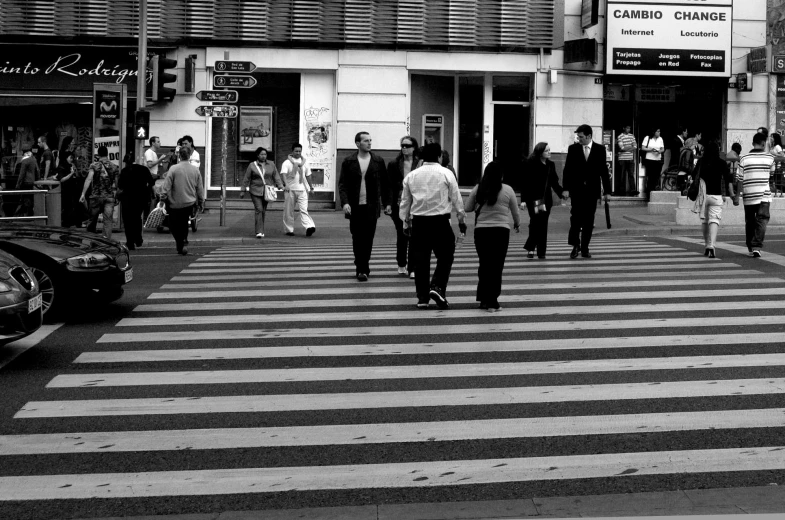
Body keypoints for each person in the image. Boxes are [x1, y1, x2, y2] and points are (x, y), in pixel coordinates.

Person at [399, 142, 466, 310]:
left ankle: (422, 298)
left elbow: (405, 202)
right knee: (446, 256)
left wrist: (405, 222)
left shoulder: (412, 176)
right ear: (439, 156)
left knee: (420, 261)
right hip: (440, 222)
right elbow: (457, 198)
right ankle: (437, 286)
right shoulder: (446, 174)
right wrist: (461, 219)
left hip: (419, 222)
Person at [465, 161, 520, 312]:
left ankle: (483, 299)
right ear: (501, 175)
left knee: (485, 265)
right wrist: (517, 224)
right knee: (496, 266)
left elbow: (467, 208)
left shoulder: (478, 188)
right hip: (501, 232)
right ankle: (492, 300)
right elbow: (515, 212)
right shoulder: (508, 190)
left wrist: (478, 205)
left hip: (482, 232)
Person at [338, 131, 386, 281]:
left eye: (370, 140)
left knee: (368, 238)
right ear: (358, 144)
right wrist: (345, 202)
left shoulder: (378, 161)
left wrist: (387, 203)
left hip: (371, 206)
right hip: (355, 206)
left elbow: (385, 184)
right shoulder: (348, 161)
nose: (369, 143)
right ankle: (360, 265)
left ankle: (363, 268)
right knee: (357, 237)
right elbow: (342, 184)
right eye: (366, 141)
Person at [562, 124, 612, 259]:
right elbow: (567, 170)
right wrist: (565, 188)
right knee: (575, 219)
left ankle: (585, 248)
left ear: (589, 136)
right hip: (576, 191)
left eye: (581, 137)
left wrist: (607, 191)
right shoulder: (573, 149)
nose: (579, 139)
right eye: (578, 137)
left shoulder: (600, 149)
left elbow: (604, 172)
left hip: (591, 191)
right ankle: (575, 245)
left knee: (589, 221)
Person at [520, 142, 565, 259]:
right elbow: (525, 183)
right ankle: (531, 248)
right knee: (536, 223)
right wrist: (523, 200)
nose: (549, 152)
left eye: (549, 150)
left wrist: (562, 193)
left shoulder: (550, 165)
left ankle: (540, 252)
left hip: (546, 200)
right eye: (547, 151)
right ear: (540, 153)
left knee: (541, 224)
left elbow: (554, 182)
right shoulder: (530, 163)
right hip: (534, 199)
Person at [691, 141, 736, 259]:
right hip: (716, 196)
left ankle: (706, 245)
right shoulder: (721, 163)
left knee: (705, 221)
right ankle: (712, 245)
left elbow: (693, 175)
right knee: (714, 220)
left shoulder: (701, 161)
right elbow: (728, 179)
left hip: (703, 196)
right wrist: (731, 195)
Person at [383, 135, 419, 277]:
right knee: (402, 234)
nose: (404, 148)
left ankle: (413, 268)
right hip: (399, 203)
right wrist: (388, 204)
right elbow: (389, 186)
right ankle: (401, 263)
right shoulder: (394, 164)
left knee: (415, 236)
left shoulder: (420, 163)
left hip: (416, 203)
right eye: (402, 146)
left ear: (414, 147)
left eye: (407, 146)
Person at [160, 147, 204, 255]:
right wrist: (201, 200)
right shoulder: (195, 170)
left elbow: (167, 184)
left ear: (179, 155)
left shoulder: (174, 169)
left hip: (175, 202)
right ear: (189, 156)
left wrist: (163, 195)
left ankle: (180, 242)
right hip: (189, 202)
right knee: (184, 222)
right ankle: (183, 240)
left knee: (173, 224)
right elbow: (199, 187)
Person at [738, 132, 774, 258]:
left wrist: (737, 195)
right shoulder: (770, 158)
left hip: (748, 195)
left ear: (753, 143)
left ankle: (749, 245)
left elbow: (739, 179)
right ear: (764, 144)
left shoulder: (744, 158)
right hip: (764, 195)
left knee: (750, 221)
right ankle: (757, 246)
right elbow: (772, 173)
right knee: (762, 219)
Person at [240, 146, 283, 238]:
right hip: (255, 190)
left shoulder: (271, 164)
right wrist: (243, 190)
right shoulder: (252, 165)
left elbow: (276, 175)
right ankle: (259, 231)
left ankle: (261, 229)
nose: (264, 156)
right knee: (259, 209)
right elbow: (246, 178)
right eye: (261, 154)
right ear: (257, 155)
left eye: (265, 154)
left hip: (267, 191)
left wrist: (280, 185)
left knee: (263, 210)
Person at [80, 146, 119, 239]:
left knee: (92, 220)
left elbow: (89, 179)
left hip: (96, 196)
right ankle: (106, 241)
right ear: (107, 153)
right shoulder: (114, 167)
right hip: (109, 197)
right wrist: (116, 196)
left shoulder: (94, 165)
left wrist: (83, 194)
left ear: (98, 154)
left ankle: (90, 240)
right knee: (108, 221)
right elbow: (117, 184)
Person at [118, 152, 155, 250]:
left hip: (127, 199)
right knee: (137, 218)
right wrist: (152, 194)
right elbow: (151, 182)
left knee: (128, 221)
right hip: (141, 198)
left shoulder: (124, 171)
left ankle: (130, 242)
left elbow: (120, 186)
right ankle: (138, 239)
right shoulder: (143, 169)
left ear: (125, 162)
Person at [280, 143, 316, 237]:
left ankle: (309, 227)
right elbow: (283, 174)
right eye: (296, 151)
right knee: (289, 211)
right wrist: (286, 185)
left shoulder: (305, 163)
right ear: (292, 151)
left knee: (304, 209)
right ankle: (289, 229)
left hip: (302, 190)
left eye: (299, 151)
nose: (298, 153)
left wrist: (311, 187)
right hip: (290, 190)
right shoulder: (287, 163)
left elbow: (308, 175)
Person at [56, 151, 78, 227]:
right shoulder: (62, 166)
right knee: (66, 206)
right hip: (65, 190)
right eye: (70, 158)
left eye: (72, 158)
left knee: (70, 206)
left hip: (71, 189)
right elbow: (62, 179)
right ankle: (65, 222)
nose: (71, 160)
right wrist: (71, 173)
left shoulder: (71, 165)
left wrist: (74, 171)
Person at [14, 148, 38, 217]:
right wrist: (37, 180)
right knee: (30, 198)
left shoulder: (24, 161)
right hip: (32, 181)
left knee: (25, 198)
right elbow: (37, 170)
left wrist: (18, 184)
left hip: (26, 182)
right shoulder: (34, 160)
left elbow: (22, 174)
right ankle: (29, 213)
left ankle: (24, 214)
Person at [640, 128, 665, 196]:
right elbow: (643, 148)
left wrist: (660, 151)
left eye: (659, 131)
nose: (659, 133)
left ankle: (655, 192)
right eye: (657, 131)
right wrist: (650, 150)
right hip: (650, 159)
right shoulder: (647, 138)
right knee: (650, 177)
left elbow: (663, 148)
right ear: (654, 132)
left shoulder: (660, 139)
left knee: (656, 176)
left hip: (657, 159)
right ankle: (649, 193)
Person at [616, 125, 638, 195]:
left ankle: (633, 190)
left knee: (631, 174)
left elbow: (635, 146)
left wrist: (626, 148)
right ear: (624, 128)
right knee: (622, 175)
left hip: (630, 158)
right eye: (627, 128)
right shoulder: (620, 136)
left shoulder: (632, 136)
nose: (629, 129)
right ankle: (621, 191)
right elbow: (622, 148)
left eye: (629, 128)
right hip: (622, 158)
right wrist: (630, 147)